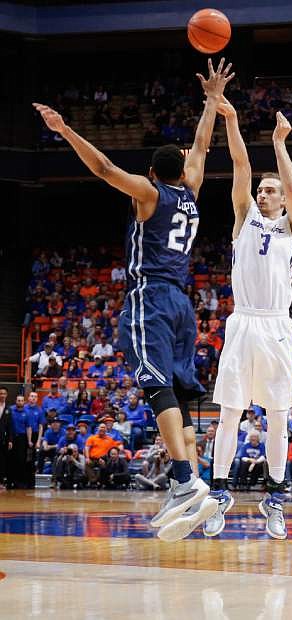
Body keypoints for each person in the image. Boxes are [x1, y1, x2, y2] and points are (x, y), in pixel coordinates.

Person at [34, 58, 235, 542]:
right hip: (184, 306)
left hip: (151, 297)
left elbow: (103, 168)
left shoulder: (150, 194)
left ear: (149, 173)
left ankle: (184, 481)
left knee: (154, 387)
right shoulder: (191, 191)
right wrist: (210, 99)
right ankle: (193, 485)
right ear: (181, 167)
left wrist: (64, 129)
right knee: (181, 400)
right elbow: (204, 145)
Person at [204, 97, 292, 540]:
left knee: (278, 417)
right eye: (261, 189)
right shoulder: (243, 218)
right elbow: (240, 164)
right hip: (243, 322)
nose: (263, 193)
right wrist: (230, 118)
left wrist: (280, 144)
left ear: (282, 199)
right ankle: (220, 493)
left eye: (271, 190)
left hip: (277, 326)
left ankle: (275, 498)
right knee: (229, 414)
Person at [0, 386, 13, 489]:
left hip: (3, 439)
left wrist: (10, 440)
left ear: (6, 395)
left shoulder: (9, 409)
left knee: (2, 460)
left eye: (4, 394)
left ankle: (1, 482)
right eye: (1, 393)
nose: (2, 395)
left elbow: (10, 426)